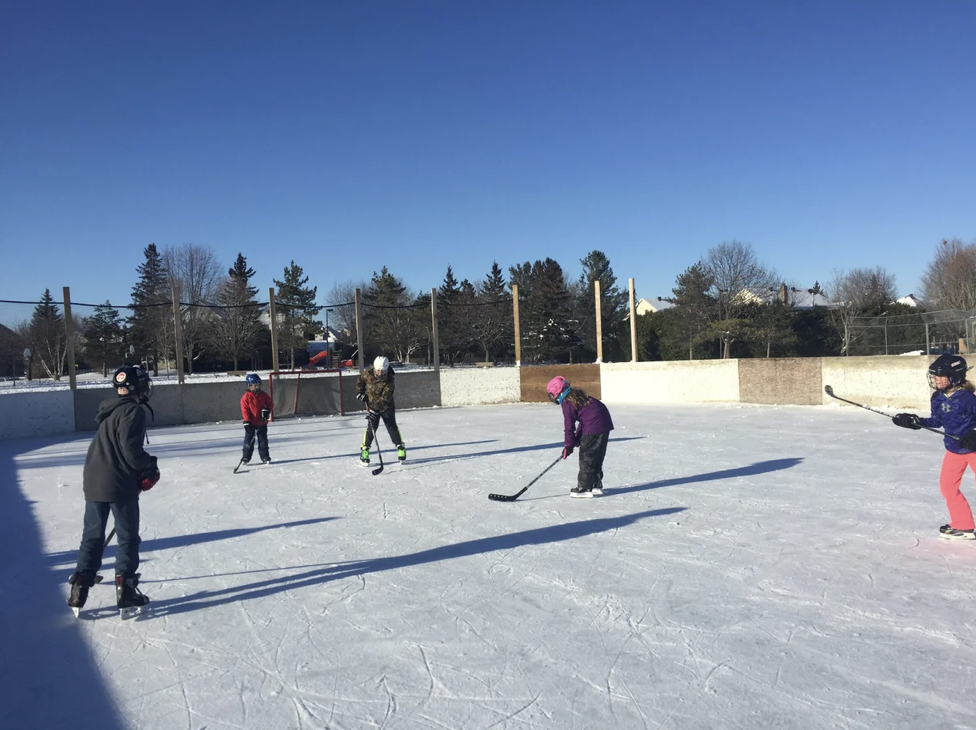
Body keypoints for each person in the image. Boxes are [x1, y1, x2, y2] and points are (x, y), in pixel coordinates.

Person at [67, 366, 159, 618]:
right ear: (137, 387)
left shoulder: (111, 411)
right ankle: (126, 589)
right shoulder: (133, 411)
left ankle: (79, 587)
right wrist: (148, 465)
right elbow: (130, 451)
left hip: (94, 480)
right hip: (119, 483)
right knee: (128, 537)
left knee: (93, 536)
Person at [893, 354, 976, 540]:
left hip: (974, 449)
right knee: (947, 487)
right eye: (935, 376)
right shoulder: (937, 397)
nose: (936, 380)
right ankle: (963, 526)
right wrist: (914, 421)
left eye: (941, 376)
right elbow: (937, 420)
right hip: (954, 449)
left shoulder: (968, 398)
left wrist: (974, 433)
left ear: (955, 376)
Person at [547, 375, 614, 499]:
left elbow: (569, 426)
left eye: (552, 394)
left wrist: (568, 445)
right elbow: (585, 418)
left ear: (558, 391)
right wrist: (576, 438)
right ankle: (595, 484)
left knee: (587, 457)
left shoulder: (567, 402)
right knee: (597, 456)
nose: (552, 398)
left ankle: (584, 488)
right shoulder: (575, 395)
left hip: (594, 425)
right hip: (604, 422)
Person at [357, 356, 406, 465]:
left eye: (382, 371)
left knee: (391, 427)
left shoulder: (390, 380)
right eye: (378, 370)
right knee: (371, 428)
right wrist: (360, 393)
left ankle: (400, 447)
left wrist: (374, 411)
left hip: (386, 407)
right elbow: (360, 381)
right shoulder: (368, 373)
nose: (380, 373)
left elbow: (384, 399)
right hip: (371, 406)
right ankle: (365, 450)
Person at [241, 373, 274, 465]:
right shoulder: (245, 398)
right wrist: (247, 421)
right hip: (251, 423)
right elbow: (245, 410)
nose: (256, 387)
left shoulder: (263, 395)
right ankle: (246, 457)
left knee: (263, 441)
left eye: (258, 385)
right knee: (248, 441)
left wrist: (267, 410)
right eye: (254, 385)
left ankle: (265, 456)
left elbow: (270, 404)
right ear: (249, 386)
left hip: (262, 423)